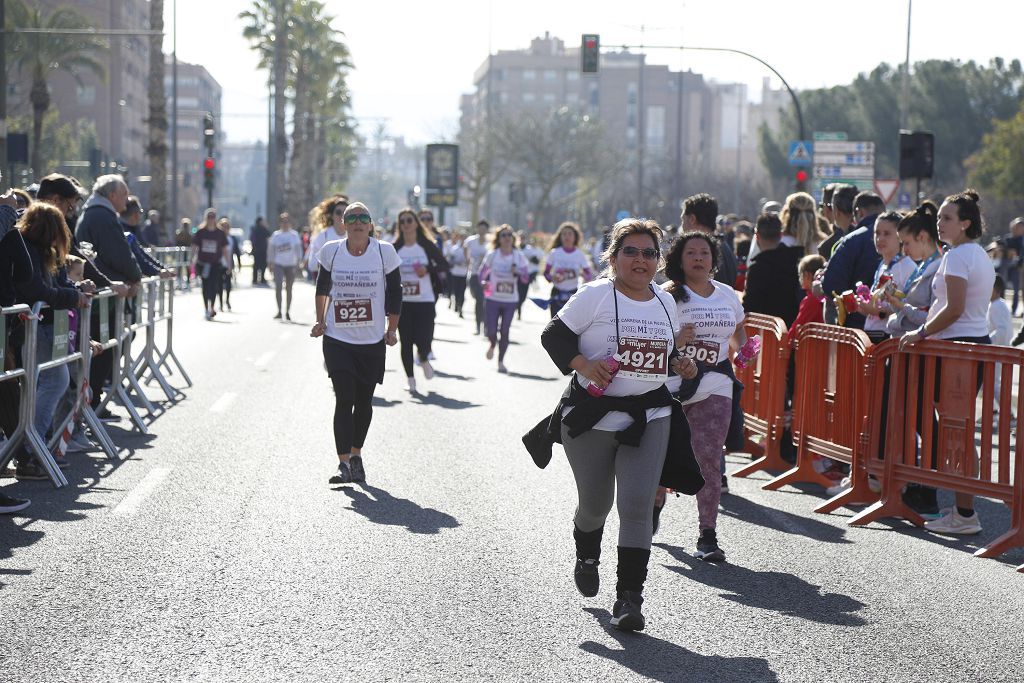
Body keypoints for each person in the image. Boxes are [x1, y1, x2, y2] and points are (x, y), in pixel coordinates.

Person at [538, 217, 694, 632]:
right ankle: (587, 555)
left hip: (650, 416)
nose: (640, 260)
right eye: (631, 251)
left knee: (637, 506)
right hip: (593, 418)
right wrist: (585, 365)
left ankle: (629, 598)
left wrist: (679, 362)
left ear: (658, 261)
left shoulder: (664, 300)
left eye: (649, 253)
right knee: (596, 505)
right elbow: (553, 336)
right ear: (614, 256)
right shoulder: (595, 295)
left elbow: (670, 349)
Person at [899, 189, 995, 535]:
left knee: (959, 431)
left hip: (959, 349)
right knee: (960, 430)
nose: (940, 223)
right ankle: (962, 509)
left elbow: (953, 308)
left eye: (947, 218)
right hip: (968, 345)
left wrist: (921, 331)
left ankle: (966, 514)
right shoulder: (975, 254)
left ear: (966, 223)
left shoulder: (957, 257)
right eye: (939, 217)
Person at [658, 231, 746, 561]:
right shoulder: (667, 296)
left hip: (716, 383)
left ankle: (707, 534)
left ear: (713, 260)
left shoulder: (727, 294)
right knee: (662, 456)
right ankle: (654, 505)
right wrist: (678, 338)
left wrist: (747, 351)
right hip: (673, 386)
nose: (699, 258)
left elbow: (738, 331)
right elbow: (654, 339)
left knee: (708, 456)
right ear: (680, 260)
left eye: (704, 253)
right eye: (691, 253)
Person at [310, 201, 401, 485]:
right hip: (338, 337)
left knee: (363, 402)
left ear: (371, 224)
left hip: (372, 339)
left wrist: (392, 329)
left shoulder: (384, 252)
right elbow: (322, 288)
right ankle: (343, 464)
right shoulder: (332, 251)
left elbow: (396, 294)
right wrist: (320, 320)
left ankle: (356, 453)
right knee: (344, 397)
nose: (359, 222)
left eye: (364, 217)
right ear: (344, 224)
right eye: (352, 217)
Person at [15, 203, 92, 479]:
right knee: (53, 381)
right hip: (38, 325)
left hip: (48, 326)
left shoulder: (43, 251)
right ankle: (30, 447)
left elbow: (58, 283)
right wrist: (72, 296)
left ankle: (32, 445)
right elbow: (37, 290)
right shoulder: (28, 249)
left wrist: (77, 289)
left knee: (50, 382)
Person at [393, 208, 449, 392]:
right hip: (403, 302)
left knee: (424, 338)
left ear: (416, 223)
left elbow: (444, 264)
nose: (406, 224)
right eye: (403, 222)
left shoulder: (426, 245)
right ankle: (410, 379)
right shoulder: (395, 248)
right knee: (406, 341)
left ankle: (424, 357)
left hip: (425, 300)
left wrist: (427, 269)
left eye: (409, 220)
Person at [821, 191, 885, 329]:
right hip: (895, 329)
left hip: (857, 327)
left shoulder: (853, 240)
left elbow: (832, 284)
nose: (879, 239)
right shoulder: (902, 237)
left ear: (860, 212)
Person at [855, 211, 917, 343]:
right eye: (877, 233)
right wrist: (860, 306)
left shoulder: (907, 267)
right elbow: (877, 303)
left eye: (887, 234)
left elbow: (908, 306)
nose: (880, 238)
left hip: (890, 336)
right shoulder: (882, 265)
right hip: (872, 333)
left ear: (900, 237)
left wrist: (877, 311)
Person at [480, 225, 528, 373]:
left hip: (510, 300)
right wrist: (483, 283)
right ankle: (492, 344)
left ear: (513, 238)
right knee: (491, 330)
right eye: (503, 235)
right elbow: (482, 273)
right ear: (498, 239)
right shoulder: (492, 255)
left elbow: (526, 278)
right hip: (493, 298)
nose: (507, 238)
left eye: (509, 235)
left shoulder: (518, 256)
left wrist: (518, 272)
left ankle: (501, 361)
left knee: (505, 331)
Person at [742, 212, 804, 327]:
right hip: (795, 330)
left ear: (757, 236)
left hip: (767, 334)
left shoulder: (757, 269)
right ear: (780, 235)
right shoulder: (797, 260)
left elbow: (749, 306)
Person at [681, 193, 737, 287]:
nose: (682, 226)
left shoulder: (711, 251)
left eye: (683, 220)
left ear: (692, 219)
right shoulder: (724, 246)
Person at [545, 221, 594, 318]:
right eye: (564, 234)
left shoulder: (579, 254)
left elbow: (589, 275)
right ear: (560, 236)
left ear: (575, 237)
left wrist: (583, 275)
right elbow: (546, 273)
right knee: (555, 326)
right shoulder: (554, 253)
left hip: (572, 294)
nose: (567, 236)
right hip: (557, 294)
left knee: (569, 326)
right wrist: (552, 278)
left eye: (570, 234)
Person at [191, 208, 229, 320]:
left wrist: (228, 263)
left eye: (213, 217)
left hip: (215, 264)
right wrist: (191, 260)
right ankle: (206, 308)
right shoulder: (200, 231)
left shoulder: (220, 233)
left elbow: (225, 249)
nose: (211, 219)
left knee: (214, 286)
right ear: (206, 218)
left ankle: (212, 306)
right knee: (205, 286)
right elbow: (194, 246)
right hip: (203, 263)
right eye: (209, 217)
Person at [268, 212, 303, 320]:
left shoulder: (294, 235)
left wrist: (299, 262)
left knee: (289, 288)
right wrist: (270, 263)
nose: (285, 223)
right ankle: (279, 311)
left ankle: (287, 311)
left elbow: (298, 249)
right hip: (278, 264)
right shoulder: (276, 235)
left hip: (290, 264)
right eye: (283, 221)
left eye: (287, 221)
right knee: (278, 286)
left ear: (290, 223)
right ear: (280, 223)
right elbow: (271, 250)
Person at [305, 196, 348, 280]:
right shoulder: (323, 235)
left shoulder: (355, 234)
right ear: (332, 215)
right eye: (338, 212)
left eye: (345, 213)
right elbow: (312, 264)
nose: (342, 216)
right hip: (329, 285)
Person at [463, 220, 490, 335]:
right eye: (480, 228)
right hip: (474, 274)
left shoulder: (490, 242)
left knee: (485, 301)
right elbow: (464, 247)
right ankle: (478, 324)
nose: (482, 231)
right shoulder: (471, 241)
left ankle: (484, 326)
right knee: (478, 299)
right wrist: (468, 260)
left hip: (487, 277)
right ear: (477, 229)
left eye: (484, 229)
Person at [445, 229, 469, 318]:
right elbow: (450, 259)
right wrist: (456, 262)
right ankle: (455, 303)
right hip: (455, 273)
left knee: (462, 292)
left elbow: (470, 261)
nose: (463, 239)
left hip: (464, 274)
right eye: (462, 237)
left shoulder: (468, 249)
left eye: (465, 238)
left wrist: (466, 260)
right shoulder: (454, 248)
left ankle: (460, 308)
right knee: (455, 290)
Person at [217, 218, 239, 312]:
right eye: (223, 226)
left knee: (228, 284)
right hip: (219, 264)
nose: (225, 228)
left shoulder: (231, 239)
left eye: (226, 227)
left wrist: (239, 263)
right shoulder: (217, 238)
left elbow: (236, 251)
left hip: (229, 264)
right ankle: (221, 303)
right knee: (220, 284)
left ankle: (227, 300)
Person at [250, 216, 271, 286]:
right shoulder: (264, 229)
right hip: (263, 250)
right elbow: (268, 239)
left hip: (256, 250)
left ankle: (255, 279)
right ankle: (262, 279)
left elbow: (252, 239)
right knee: (263, 265)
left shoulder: (254, 229)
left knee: (256, 265)